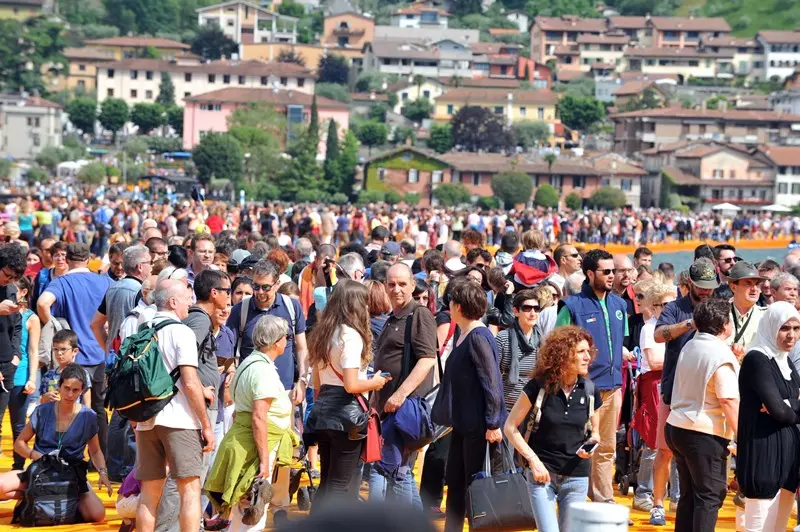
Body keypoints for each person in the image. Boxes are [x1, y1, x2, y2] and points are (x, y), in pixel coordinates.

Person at [226, 259, 307, 523]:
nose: (260, 293)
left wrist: (301, 380)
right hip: (253, 394)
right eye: (256, 287)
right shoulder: (241, 310)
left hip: (284, 390)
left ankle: (279, 504)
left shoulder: (292, 307)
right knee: (254, 448)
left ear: (277, 284)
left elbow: (301, 347)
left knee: (284, 451)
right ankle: (250, 503)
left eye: (265, 287)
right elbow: (229, 351)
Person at [134, 279, 215, 532]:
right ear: (172, 301)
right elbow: (189, 383)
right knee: (190, 490)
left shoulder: (142, 328)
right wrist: (205, 425)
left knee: (149, 493)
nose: (190, 304)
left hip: (146, 420)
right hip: (180, 419)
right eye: (186, 298)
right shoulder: (182, 332)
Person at [504, 326, 602, 532]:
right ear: (564, 354)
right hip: (542, 476)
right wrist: (533, 461)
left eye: (588, 352)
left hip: (577, 476)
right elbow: (510, 427)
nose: (588, 357)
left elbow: (595, 433)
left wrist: (592, 443)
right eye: (581, 352)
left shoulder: (591, 390)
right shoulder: (538, 387)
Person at [204, 315, 297, 531]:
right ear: (276, 341)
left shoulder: (249, 362)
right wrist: (264, 460)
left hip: (245, 441)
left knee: (244, 505)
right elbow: (258, 417)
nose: (288, 341)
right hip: (254, 445)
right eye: (286, 337)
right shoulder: (262, 369)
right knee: (252, 506)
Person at [154, 269, 230, 532]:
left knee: (191, 476)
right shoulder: (198, 321)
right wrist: (200, 388)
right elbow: (183, 363)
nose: (229, 298)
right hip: (196, 408)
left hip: (190, 407)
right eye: (227, 291)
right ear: (214, 293)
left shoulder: (201, 320)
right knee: (187, 477)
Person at [307, 281, 390, 510]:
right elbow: (351, 385)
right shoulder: (350, 336)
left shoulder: (324, 333)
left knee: (326, 483)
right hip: (347, 417)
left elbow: (316, 382)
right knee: (339, 486)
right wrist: (375, 381)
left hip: (323, 413)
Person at [556, 248, 630, 504]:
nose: (612, 276)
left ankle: (603, 498)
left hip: (612, 388)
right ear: (589, 273)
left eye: (614, 271)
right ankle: (570, 499)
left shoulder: (620, 305)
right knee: (576, 445)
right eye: (606, 271)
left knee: (607, 447)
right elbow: (559, 345)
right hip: (582, 390)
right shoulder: (572, 306)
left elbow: (619, 343)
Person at [432, 279, 504, 532]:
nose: (448, 307)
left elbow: (492, 382)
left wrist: (493, 423)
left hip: (478, 426)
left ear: (459, 306)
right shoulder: (465, 335)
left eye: (450, 302)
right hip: (463, 424)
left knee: (475, 486)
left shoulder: (478, 337)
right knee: (456, 481)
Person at [650, 257, 718, 526]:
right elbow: (658, 335)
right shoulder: (675, 308)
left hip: (707, 391)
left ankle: (687, 497)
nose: (705, 292)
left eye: (710, 287)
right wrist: (691, 323)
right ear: (689, 284)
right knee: (665, 449)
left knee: (706, 450)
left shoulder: (718, 307)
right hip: (674, 389)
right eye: (701, 287)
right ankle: (657, 502)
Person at [0, 363, 112, 523]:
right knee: (1, 487)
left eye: (75, 390)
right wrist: (36, 455)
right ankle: (35, 495)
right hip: (41, 470)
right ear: (59, 386)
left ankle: (56, 498)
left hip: (71, 475)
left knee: (97, 515)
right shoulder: (43, 411)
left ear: (82, 391)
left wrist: (103, 473)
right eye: (66, 388)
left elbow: (95, 451)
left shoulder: (89, 416)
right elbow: (19, 443)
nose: (70, 394)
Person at [666, 297, 739, 532]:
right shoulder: (719, 353)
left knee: (690, 495)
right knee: (709, 497)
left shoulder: (692, 343)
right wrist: (743, 436)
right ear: (724, 324)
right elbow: (728, 399)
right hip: (703, 431)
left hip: (678, 426)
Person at [37, 243, 114, 455]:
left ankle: (71, 456)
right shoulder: (105, 281)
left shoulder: (62, 282)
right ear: (88, 259)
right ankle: (101, 458)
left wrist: (55, 326)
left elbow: (43, 303)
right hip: (101, 354)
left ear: (68, 260)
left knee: (69, 409)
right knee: (98, 409)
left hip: (74, 357)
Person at [370, 264, 437, 505]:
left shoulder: (418, 314)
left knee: (398, 473)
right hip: (390, 409)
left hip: (405, 409)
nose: (396, 289)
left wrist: (399, 395)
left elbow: (427, 359)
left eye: (402, 284)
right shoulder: (393, 317)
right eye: (392, 284)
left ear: (411, 285)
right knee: (399, 473)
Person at [737, 302, 800, 532]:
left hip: (788, 459)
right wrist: (787, 408)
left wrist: (788, 404)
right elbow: (778, 411)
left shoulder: (785, 361)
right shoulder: (757, 359)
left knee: (778, 527)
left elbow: (782, 408)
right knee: (758, 525)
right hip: (763, 455)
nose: (791, 335)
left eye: (796, 328)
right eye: (785, 328)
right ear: (771, 326)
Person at [632, 282, 675, 513]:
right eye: (666, 304)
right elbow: (655, 361)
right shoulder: (649, 329)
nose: (670, 308)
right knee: (654, 442)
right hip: (654, 384)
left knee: (677, 440)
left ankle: (676, 495)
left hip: (671, 382)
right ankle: (643, 492)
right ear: (656, 306)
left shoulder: (674, 327)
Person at [90, 245, 152, 359]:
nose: (151, 267)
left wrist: (109, 350)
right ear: (140, 267)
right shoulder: (139, 292)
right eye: (149, 262)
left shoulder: (112, 288)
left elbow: (95, 324)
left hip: (114, 362)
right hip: (133, 362)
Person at [5, 276, 39, 471]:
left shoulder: (31, 318)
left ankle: (18, 466)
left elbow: (33, 350)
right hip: (3, 372)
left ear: (23, 292)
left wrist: (32, 378)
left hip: (20, 375)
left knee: (18, 424)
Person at [497, 289, 541, 413]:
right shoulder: (503, 338)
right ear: (516, 311)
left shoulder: (543, 340)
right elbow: (492, 376)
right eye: (527, 308)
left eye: (536, 309)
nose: (533, 313)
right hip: (506, 408)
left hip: (532, 408)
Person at [726, 262, 768, 358]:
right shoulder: (717, 315)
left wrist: (746, 352)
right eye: (748, 284)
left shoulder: (766, 316)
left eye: (757, 284)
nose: (754, 289)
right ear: (733, 287)